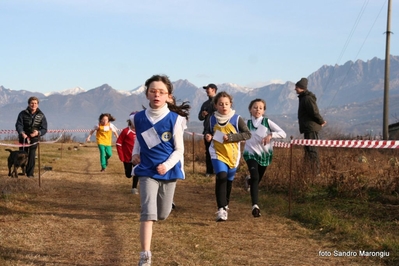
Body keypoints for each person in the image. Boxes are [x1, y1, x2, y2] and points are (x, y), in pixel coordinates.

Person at [130, 74, 189, 266]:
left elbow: (179, 149)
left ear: (168, 96)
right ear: (147, 94)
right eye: (153, 91)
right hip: (147, 169)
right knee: (148, 212)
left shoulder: (175, 119)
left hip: (168, 171)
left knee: (162, 214)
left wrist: (167, 165)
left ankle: (166, 206)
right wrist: (135, 154)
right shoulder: (137, 118)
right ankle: (145, 255)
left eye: (161, 92)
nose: (157, 95)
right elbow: (139, 138)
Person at [204, 91, 251, 222]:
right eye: (220, 104)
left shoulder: (236, 119)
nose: (224, 106)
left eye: (226, 104)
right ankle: (221, 209)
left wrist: (231, 137)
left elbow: (247, 134)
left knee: (228, 180)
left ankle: (225, 205)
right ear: (215, 106)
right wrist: (207, 136)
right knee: (221, 176)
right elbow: (208, 131)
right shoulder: (212, 118)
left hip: (232, 154)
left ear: (230, 104)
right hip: (217, 152)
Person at [243, 99, 286, 217]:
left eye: (260, 108)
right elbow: (237, 134)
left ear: (264, 110)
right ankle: (255, 206)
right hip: (250, 153)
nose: (257, 110)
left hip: (264, 155)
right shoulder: (246, 123)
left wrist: (271, 135)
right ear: (250, 109)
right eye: (255, 107)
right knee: (255, 176)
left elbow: (283, 133)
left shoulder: (267, 122)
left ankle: (249, 181)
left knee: (257, 179)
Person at [294, 78, 327, 173]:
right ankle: (309, 171)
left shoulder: (307, 98)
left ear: (301, 88)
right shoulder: (304, 98)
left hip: (311, 128)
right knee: (308, 150)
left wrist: (321, 121)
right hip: (308, 128)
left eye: (296, 87)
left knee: (312, 150)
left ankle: (315, 172)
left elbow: (314, 112)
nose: (295, 89)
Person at [15, 96, 48, 178]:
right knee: (22, 154)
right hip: (23, 137)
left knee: (32, 154)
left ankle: (30, 173)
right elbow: (18, 125)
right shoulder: (22, 113)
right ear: (29, 104)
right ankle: (22, 171)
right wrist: (22, 132)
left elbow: (44, 129)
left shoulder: (41, 115)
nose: (33, 105)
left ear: (38, 105)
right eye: (32, 103)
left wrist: (38, 132)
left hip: (35, 137)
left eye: (35, 103)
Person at [116, 112, 139, 194]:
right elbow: (118, 143)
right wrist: (121, 156)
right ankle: (128, 173)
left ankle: (134, 188)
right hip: (127, 157)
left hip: (137, 157)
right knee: (128, 175)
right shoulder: (126, 131)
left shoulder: (141, 131)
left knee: (137, 172)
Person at [198, 83, 217, 177]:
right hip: (207, 131)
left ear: (213, 90)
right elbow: (199, 117)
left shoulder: (219, 102)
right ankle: (209, 171)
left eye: (208, 89)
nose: (206, 91)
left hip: (218, 131)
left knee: (219, 151)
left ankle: (218, 170)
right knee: (208, 151)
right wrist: (203, 115)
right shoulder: (205, 104)